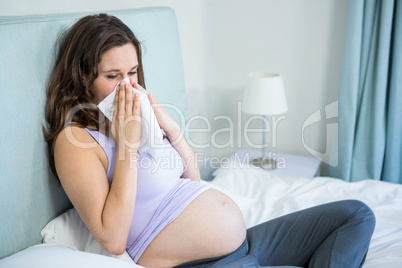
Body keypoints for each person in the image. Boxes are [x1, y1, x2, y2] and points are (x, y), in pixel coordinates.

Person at [43, 13, 376, 268]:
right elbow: (113, 239)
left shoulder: (139, 119)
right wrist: (127, 146)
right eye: (113, 76)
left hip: (246, 241)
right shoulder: (75, 141)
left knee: (356, 215)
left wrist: (173, 132)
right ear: (83, 78)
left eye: (132, 72)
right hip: (207, 262)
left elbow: (191, 185)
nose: (128, 86)